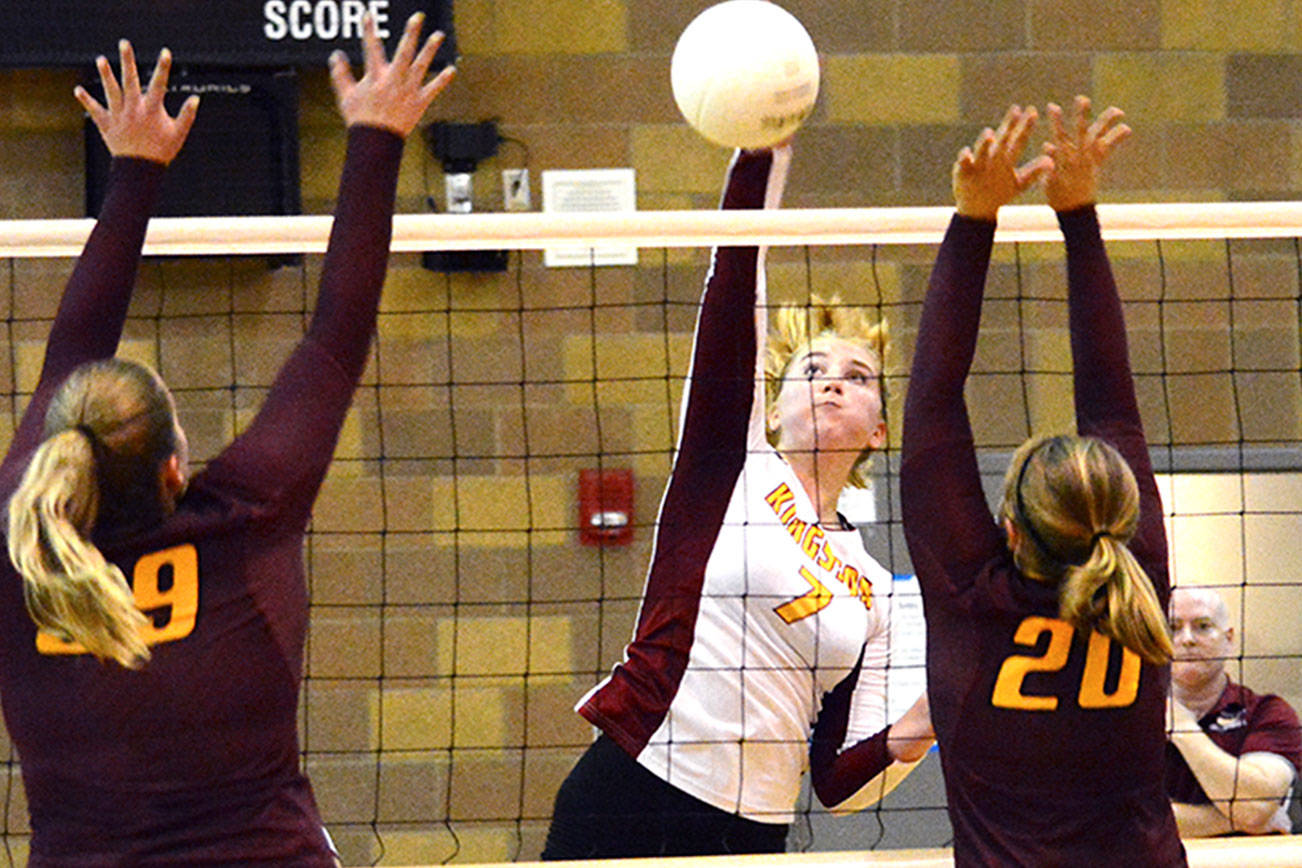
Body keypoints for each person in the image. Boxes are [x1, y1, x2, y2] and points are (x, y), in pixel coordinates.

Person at [0, 16, 452, 864]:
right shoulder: (246, 516)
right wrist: (378, 139)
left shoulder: (17, 544)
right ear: (175, 468)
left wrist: (130, 173)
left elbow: (71, 351)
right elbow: (335, 338)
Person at [541, 140, 932, 860]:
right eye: (813, 368)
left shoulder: (875, 590)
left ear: (878, 428)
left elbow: (838, 780)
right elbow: (731, 294)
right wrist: (761, 158)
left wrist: (932, 716)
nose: (833, 381)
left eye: (858, 375)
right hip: (636, 794)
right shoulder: (738, 467)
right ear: (775, 407)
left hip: (754, 836)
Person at [900, 97, 1188, 866]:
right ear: (1123, 512)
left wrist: (976, 217)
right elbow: (1110, 399)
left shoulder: (975, 594)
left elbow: (934, 397)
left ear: (1013, 530)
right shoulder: (1142, 575)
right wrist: (1077, 214)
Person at [1166, 586, 1302, 835]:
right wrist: (1228, 820)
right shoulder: (1131, 718)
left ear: (1228, 639)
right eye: (1173, 628)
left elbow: (1253, 810)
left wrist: (1183, 728)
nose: (1187, 639)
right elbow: (1118, 820)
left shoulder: (1267, 713)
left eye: (1203, 626)